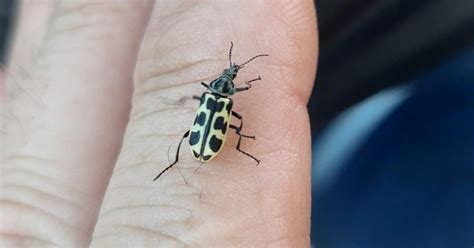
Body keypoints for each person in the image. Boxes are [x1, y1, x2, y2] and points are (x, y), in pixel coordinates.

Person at [0, 1, 318, 246]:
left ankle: (183, 159)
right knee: (237, 124)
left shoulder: (211, 96)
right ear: (228, 85)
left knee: (220, 126)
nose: (229, 76)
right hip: (207, 144)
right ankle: (220, 147)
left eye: (230, 76)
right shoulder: (224, 99)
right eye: (229, 76)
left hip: (202, 143)